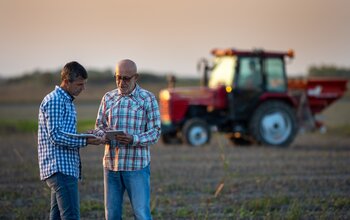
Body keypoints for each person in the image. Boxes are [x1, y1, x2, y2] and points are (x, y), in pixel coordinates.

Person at [94, 59, 161, 220]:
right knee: (112, 215)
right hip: (111, 166)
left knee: (142, 214)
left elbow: (156, 132)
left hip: (136, 166)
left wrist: (134, 139)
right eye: (118, 77)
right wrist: (101, 135)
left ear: (136, 77)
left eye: (126, 78)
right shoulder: (108, 98)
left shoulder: (147, 99)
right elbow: (99, 126)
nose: (121, 82)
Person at [38, 61, 104, 219]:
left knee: (57, 217)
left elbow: (65, 133)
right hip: (60, 168)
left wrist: (85, 135)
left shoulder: (65, 100)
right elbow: (56, 136)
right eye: (79, 84)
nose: (83, 88)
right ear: (66, 81)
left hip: (64, 167)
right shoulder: (55, 101)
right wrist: (86, 140)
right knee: (71, 216)